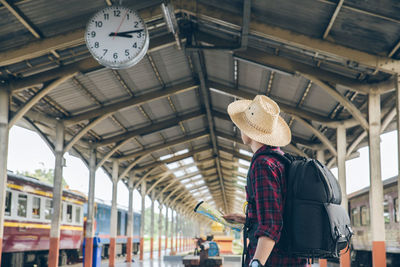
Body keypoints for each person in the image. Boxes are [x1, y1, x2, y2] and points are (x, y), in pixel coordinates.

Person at [223, 95, 306, 267]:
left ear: (248, 130)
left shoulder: (262, 165)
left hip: (274, 261)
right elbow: (281, 214)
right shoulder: (282, 161)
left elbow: (271, 226)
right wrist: (248, 219)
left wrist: (256, 263)